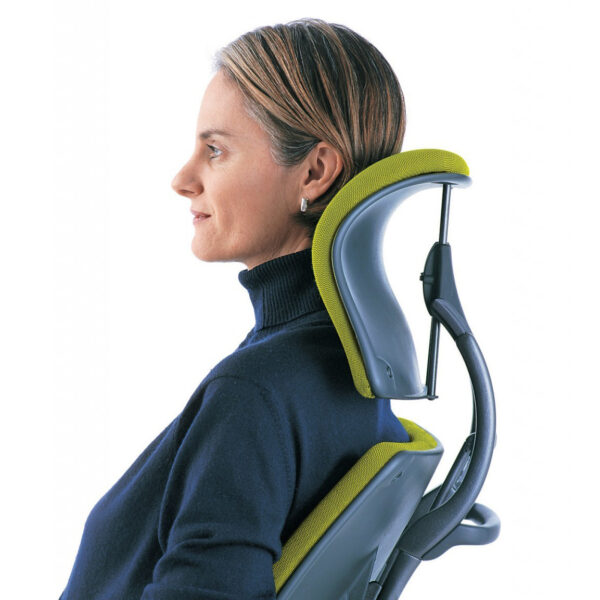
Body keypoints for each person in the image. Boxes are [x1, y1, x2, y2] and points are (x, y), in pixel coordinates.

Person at [59, 17, 411, 600]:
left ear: (315, 172)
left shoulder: (256, 392)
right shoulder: (344, 369)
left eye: (215, 150)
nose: (182, 179)